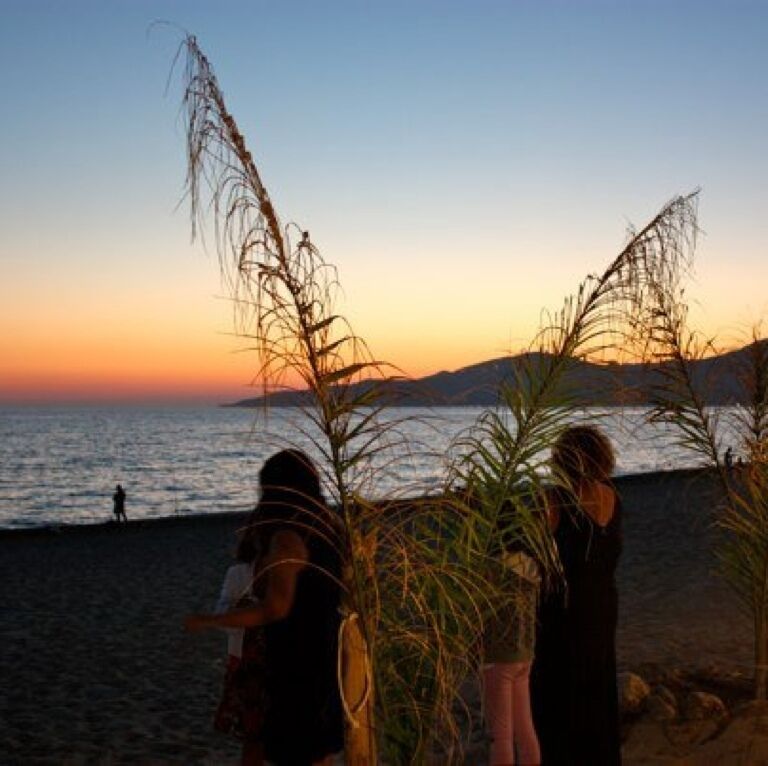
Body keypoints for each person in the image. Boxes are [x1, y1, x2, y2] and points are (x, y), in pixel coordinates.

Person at [185, 450, 344, 766]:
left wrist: (211, 620)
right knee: (318, 751)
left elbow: (275, 608)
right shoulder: (329, 528)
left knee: (297, 749)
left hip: (298, 659)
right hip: (327, 649)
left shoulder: (287, 537)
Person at [531, 425, 622, 765]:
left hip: (562, 614)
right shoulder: (612, 497)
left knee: (556, 696)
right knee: (596, 690)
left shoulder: (554, 501)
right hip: (602, 610)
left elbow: (525, 548)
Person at [483, 538, 542, 765]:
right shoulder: (529, 564)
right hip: (524, 655)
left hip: (498, 657)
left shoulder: (491, 566)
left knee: (501, 737)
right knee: (525, 730)